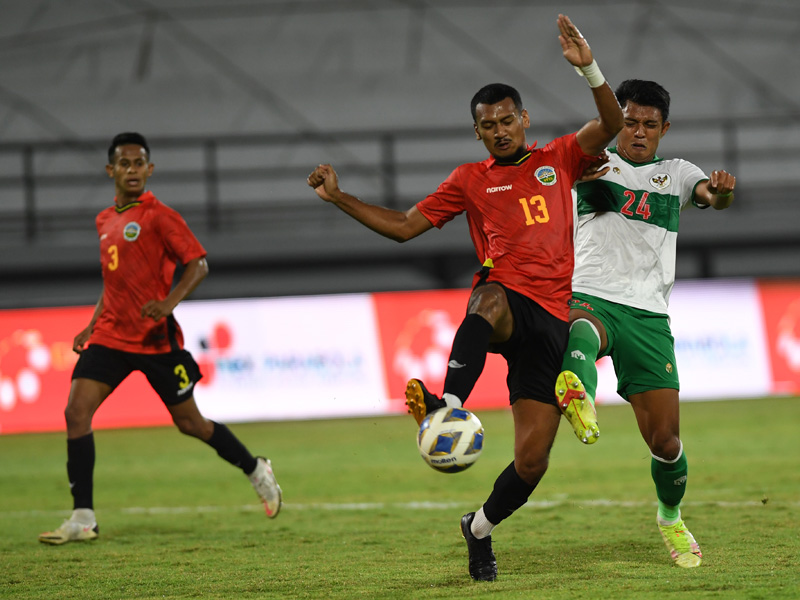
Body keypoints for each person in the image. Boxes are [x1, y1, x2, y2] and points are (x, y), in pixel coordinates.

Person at [307, 15, 622, 581]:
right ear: (476, 132)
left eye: (507, 120)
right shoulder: (469, 179)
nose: (500, 131)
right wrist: (339, 197)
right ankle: (448, 403)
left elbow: (612, 123)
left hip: (552, 318)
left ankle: (478, 528)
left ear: (524, 119)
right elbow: (404, 227)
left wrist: (589, 68)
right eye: (488, 125)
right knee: (488, 301)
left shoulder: (559, 158)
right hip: (508, 296)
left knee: (532, 461)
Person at [38, 132, 282, 545]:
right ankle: (83, 518)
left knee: (191, 424)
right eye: (124, 163)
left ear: (149, 169)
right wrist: (92, 324)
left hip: (154, 341)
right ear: (111, 170)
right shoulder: (104, 220)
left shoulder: (160, 216)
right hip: (111, 336)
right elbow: (113, 283)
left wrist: (168, 304)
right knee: (76, 412)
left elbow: (198, 264)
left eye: (139, 163)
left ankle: (255, 468)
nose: (132, 170)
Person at [555, 79, 736, 568]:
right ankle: (579, 395)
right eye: (630, 122)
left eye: (648, 125)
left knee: (666, 442)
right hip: (591, 294)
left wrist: (721, 194)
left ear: (664, 129)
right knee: (581, 330)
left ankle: (670, 516)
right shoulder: (589, 161)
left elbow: (710, 196)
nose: (638, 132)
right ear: (617, 121)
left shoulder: (676, 173)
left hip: (648, 315)